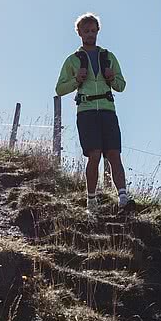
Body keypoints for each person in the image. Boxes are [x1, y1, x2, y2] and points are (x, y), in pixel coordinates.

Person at [56, 12, 135, 214]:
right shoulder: (72, 60)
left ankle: (123, 198)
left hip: (108, 110)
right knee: (95, 154)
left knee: (114, 154)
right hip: (86, 111)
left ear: (98, 31)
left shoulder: (108, 57)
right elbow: (59, 89)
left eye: (93, 30)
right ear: (79, 33)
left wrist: (111, 79)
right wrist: (77, 80)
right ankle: (91, 201)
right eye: (86, 31)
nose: (90, 34)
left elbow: (122, 86)